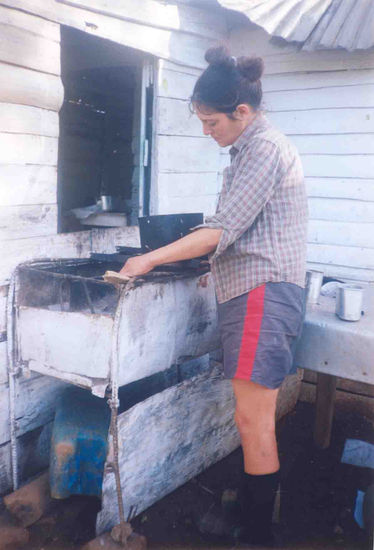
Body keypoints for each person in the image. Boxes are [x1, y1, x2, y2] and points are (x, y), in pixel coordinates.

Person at [119, 46, 308, 545]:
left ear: (241, 111)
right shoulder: (249, 150)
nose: (207, 132)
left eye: (211, 122)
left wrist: (149, 259)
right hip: (256, 290)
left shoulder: (264, 149)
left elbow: (222, 227)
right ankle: (251, 518)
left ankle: (255, 535)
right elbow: (244, 230)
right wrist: (213, 262)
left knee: (253, 419)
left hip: (263, 294)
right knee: (252, 418)